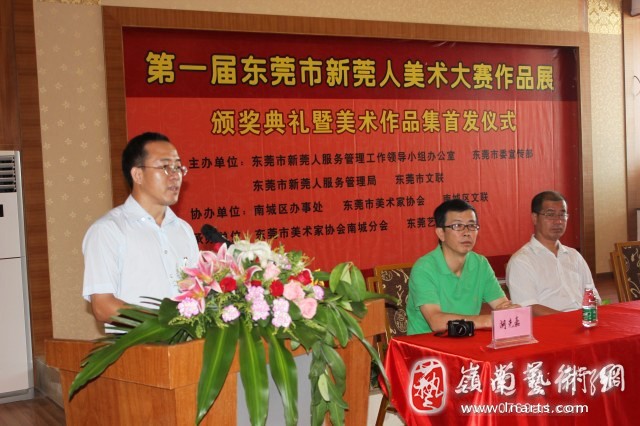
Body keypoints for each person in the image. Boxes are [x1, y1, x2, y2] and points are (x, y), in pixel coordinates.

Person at [82, 132, 200, 325]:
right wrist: (165, 323)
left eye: (178, 167)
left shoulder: (183, 230)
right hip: (140, 343)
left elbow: (196, 292)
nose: (175, 176)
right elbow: (103, 306)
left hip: (189, 343)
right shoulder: (108, 230)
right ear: (137, 174)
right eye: (165, 167)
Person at [406, 199, 518, 335]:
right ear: (441, 233)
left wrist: (510, 311)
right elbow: (436, 321)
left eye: (472, 226)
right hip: (427, 345)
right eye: (457, 226)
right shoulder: (424, 268)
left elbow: (501, 305)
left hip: (467, 340)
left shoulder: (480, 264)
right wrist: (487, 320)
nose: (467, 232)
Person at [506, 190, 600, 316]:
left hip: (583, 320)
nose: (558, 221)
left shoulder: (574, 256)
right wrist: (571, 319)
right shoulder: (521, 261)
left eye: (562, 215)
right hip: (552, 325)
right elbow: (528, 308)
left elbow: (592, 295)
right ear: (534, 218)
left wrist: (589, 315)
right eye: (550, 215)